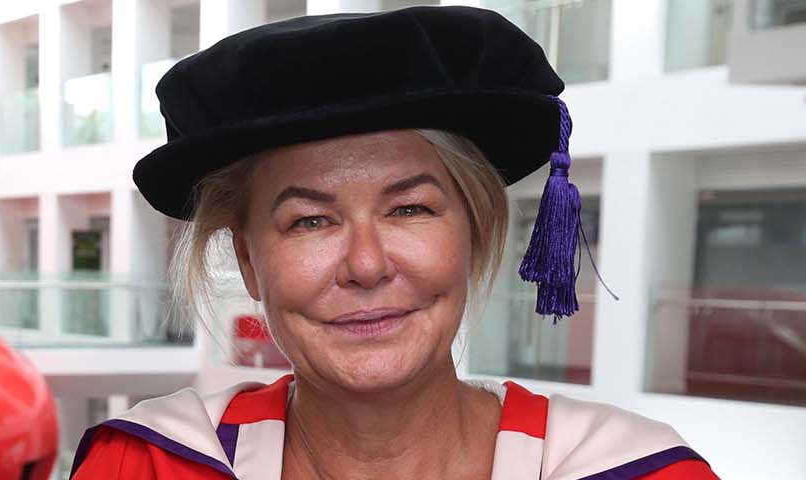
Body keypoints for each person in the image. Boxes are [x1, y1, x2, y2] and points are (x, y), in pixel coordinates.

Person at [70, 6, 719, 480]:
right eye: (310, 221)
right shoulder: (149, 464)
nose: (366, 264)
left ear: (476, 229)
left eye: (409, 208)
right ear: (248, 259)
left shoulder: (636, 471)